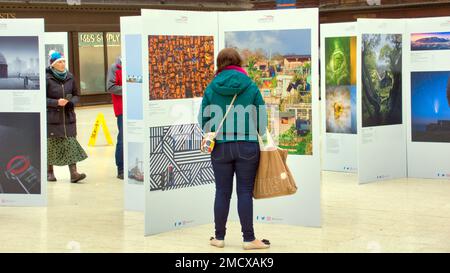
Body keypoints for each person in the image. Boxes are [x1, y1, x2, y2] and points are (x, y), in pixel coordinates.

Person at [198, 48, 270, 250]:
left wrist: (212, 130)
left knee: (222, 192)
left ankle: (219, 238)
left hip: (220, 147)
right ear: (239, 62)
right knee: (245, 192)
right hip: (247, 147)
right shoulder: (250, 86)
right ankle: (249, 239)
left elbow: (202, 119)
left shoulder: (212, 87)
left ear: (219, 63)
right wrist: (255, 131)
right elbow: (262, 120)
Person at [46, 50, 87, 183]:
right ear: (53, 65)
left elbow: (76, 94)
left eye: (64, 61)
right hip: (53, 118)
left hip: (68, 116)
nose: (63, 64)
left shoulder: (70, 76)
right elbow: (41, 99)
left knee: (71, 143)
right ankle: (49, 172)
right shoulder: (47, 78)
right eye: (60, 62)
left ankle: (74, 173)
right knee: (51, 145)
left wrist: (71, 102)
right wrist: (56, 102)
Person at [106, 56, 124, 180]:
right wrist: (129, 90)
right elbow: (110, 87)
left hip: (138, 108)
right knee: (122, 138)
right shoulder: (114, 68)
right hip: (122, 109)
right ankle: (121, 168)